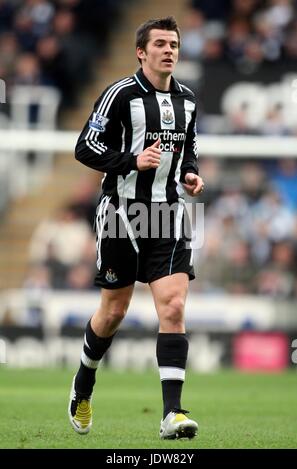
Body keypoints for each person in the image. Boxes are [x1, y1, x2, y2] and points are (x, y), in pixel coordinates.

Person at [68, 16, 204, 440]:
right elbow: (85, 147)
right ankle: (83, 385)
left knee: (174, 307)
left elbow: (188, 148)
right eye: (160, 44)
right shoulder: (120, 94)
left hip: (168, 213)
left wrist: (191, 174)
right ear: (141, 52)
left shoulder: (188, 100)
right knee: (114, 312)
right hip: (122, 214)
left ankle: (172, 414)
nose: (169, 50)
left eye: (174, 44)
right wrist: (130, 161)